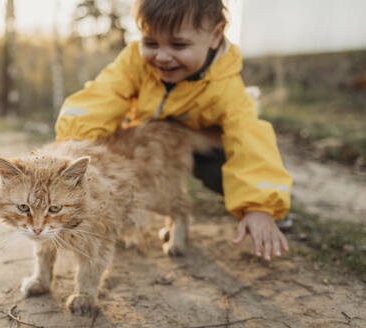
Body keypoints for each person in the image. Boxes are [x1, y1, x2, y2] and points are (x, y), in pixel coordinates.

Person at [55, 0, 292, 261]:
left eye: (178, 45)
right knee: (118, 157)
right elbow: (102, 96)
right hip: (150, 138)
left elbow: (249, 140)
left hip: (200, 142)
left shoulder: (227, 87)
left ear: (215, 36)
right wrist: (76, 141)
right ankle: (129, 218)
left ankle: (270, 209)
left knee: (223, 171)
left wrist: (260, 206)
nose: (162, 56)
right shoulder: (134, 61)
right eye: (151, 43)